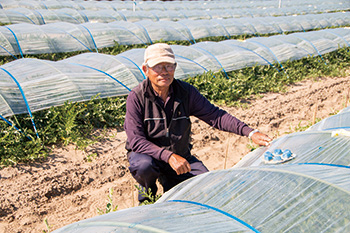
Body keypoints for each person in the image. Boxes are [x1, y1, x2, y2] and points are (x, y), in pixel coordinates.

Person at [124, 43, 272, 203]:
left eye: (169, 66)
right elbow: (136, 141)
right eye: (158, 67)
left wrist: (250, 132)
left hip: (180, 155)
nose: (164, 72)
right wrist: (169, 156)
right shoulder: (137, 97)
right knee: (144, 166)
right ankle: (147, 199)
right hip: (150, 156)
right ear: (146, 70)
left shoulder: (185, 92)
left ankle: (172, 188)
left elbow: (215, 115)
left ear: (175, 67)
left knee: (206, 184)